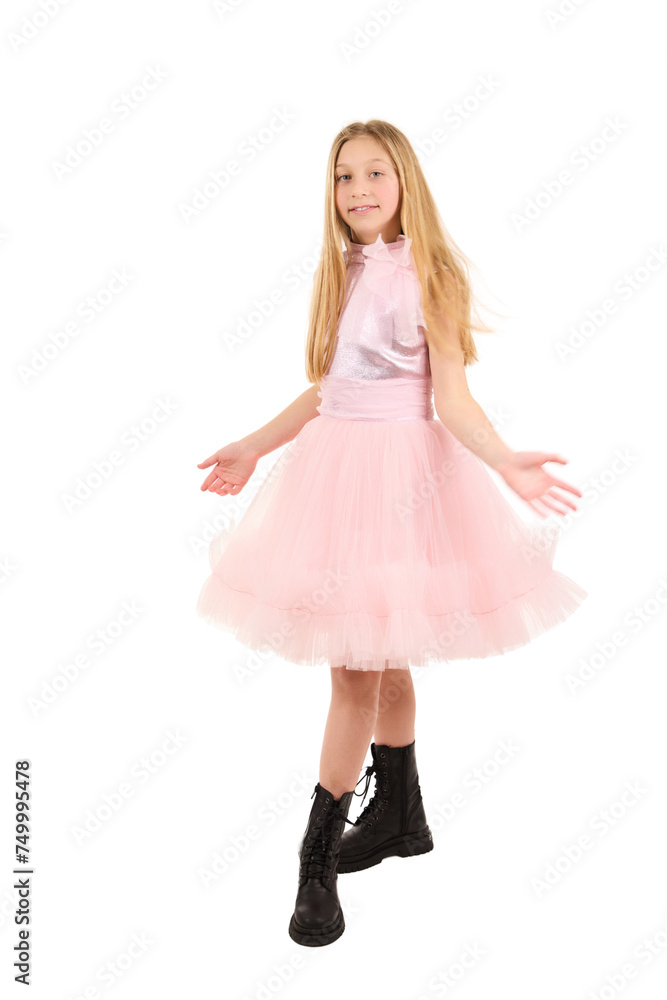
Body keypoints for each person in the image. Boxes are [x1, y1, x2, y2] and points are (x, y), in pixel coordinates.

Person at [195, 119, 588, 948]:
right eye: (344, 177)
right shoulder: (343, 269)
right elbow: (326, 389)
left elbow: (452, 399)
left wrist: (507, 462)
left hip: (405, 481)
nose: (360, 189)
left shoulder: (429, 273)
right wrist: (252, 444)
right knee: (378, 654)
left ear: (406, 181)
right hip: (334, 474)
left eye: (376, 173)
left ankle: (316, 855)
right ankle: (399, 814)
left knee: (354, 670)